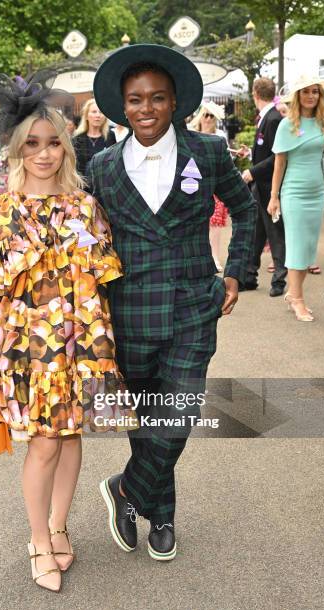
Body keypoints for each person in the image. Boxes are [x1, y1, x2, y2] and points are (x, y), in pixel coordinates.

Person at [0, 73, 134, 593]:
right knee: (46, 443)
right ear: (15, 149)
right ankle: (37, 538)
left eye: (54, 142)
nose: (45, 153)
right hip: (26, 347)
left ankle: (59, 526)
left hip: (81, 342)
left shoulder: (85, 208)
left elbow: (102, 281)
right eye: (32, 144)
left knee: (71, 436)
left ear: (66, 145)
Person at [89, 44, 256, 561]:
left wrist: (236, 273)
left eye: (156, 98)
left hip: (192, 306)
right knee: (149, 420)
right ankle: (161, 513)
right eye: (135, 99)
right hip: (129, 312)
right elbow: (87, 241)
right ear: (122, 105)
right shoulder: (100, 166)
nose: (145, 108)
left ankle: (126, 490)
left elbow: (245, 208)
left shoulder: (207, 151)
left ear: (175, 101)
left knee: (177, 414)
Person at [267, 74, 324, 321]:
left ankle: (293, 294)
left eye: (315, 92)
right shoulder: (288, 124)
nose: (311, 96)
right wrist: (274, 197)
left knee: (307, 249)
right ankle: (297, 299)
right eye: (306, 91)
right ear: (297, 96)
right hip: (293, 193)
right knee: (296, 247)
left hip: (317, 193)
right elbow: (279, 163)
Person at [237, 77, 287, 297]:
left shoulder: (274, 118)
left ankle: (279, 280)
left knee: (275, 233)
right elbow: (265, 150)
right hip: (260, 185)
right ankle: (249, 276)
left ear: (254, 93)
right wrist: (250, 154)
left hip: (269, 186)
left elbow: (278, 156)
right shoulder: (267, 117)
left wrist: (251, 172)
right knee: (256, 232)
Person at [189, 102, 228, 271]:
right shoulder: (192, 134)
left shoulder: (220, 136)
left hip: (215, 184)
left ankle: (215, 257)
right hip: (194, 184)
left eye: (212, 116)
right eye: (206, 115)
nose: (208, 119)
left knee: (216, 223)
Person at [72, 98, 115, 182]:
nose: (98, 115)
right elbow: (74, 167)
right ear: (86, 116)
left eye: (101, 112)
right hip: (83, 186)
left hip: (105, 185)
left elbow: (114, 163)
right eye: (94, 112)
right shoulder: (77, 138)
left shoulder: (110, 136)